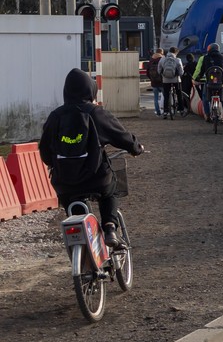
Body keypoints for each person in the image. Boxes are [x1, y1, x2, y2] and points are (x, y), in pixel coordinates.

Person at [39, 69, 144, 247]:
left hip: (65, 182)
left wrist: (55, 164)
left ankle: (79, 241)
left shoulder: (55, 116)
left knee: (73, 206)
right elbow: (122, 136)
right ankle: (110, 228)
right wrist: (136, 148)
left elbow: (44, 150)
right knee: (110, 190)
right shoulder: (96, 113)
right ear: (90, 90)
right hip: (96, 178)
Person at [194, 43, 223, 132]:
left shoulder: (206, 58)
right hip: (221, 85)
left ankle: (207, 115)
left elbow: (202, 70)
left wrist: (197, 78)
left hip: (209, 85)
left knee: (205, 98)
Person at [158, 47, 184, 120]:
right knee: (179, 94)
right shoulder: (178, 60)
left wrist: (162, 75)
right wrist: (180, 75)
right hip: (176, 80)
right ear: (176, 52)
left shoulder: (162, 59)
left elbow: (159, 69)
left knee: (166, 95)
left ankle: (165, 112)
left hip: (165, 80)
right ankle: (181, 109)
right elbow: (181, 71)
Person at [147, 48, 164, 117]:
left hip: (154, 82)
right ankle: (165, 110)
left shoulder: (151, 60)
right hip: (162, 81)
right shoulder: (162, 59)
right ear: (161, 53)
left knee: (155, 98)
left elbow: (147, 72)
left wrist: (151, 79)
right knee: (165, 96)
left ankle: (158, 112)